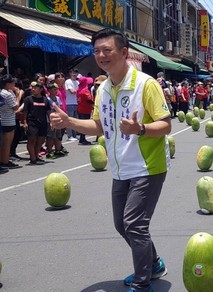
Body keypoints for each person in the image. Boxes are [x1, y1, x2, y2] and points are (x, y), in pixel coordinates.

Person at [50, 29, 171, 291]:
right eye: (97, 51)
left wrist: (140, 129)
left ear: (124, 52)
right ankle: (154, 264)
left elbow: (165, 125)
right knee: (122, 224)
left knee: (134, 224)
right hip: (120, 168)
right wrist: (69, 121)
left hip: (147, 166)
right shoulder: (103, 89)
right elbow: (98, 126)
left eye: (107, 50)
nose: (102, 56)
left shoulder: (146, 84)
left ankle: (142, 282)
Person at [23, 81, 51, 165]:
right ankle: (33, 158)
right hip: (32, 122)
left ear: (41, 89)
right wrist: (25, 122)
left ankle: (36, 156)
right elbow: (25, 111)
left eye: (36, 88)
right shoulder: (28, 99)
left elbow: (48, 111)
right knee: (32, 140)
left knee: (40, 140)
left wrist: (52, 122)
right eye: (33, 88)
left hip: (42, 123)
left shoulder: (45, 100)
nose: (33, 89)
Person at [0, 74, 24, 169]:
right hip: (8, 120)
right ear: (7, 84)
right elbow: (15, 107)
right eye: (12, 82)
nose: (14, 84)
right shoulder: (7, 94)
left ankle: (3, 160)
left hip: (3, 119)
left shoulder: (4, 92)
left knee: (3, 143)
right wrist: (19, 95)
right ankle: (5, 161)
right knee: (7, 143)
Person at [76, 76, 94, 145]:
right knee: (85, 124)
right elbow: (89, 100)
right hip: (85, 109)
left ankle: (81, 138)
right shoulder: (85, 90)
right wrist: (95, 103)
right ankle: (82, 139)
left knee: (81, 124)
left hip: (80, 108)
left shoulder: (78, 89)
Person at [64, 68, 79, 141]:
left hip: (76, 103)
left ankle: (74, 135)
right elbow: (71, 91)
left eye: (76, 73)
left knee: (75, 120)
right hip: (69, 103)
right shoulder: (68, 81)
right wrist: (79, 91)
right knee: (69, 119)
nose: (75, 74)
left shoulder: (77, 82)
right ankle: (69, 136)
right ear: (70, 73)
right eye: (73, 73)